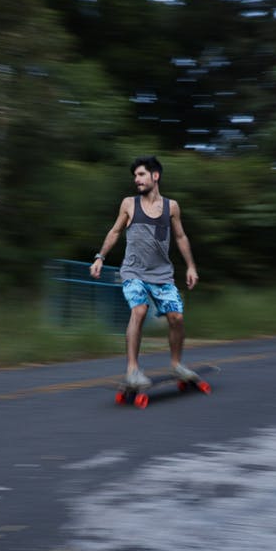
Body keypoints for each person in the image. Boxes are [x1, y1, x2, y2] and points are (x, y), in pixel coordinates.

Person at [90, 156, 200, 388]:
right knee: (139, 311)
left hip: (162, 275)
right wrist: (100, 257)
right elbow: (115, 231)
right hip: (133, 272)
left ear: (155, 176)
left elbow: (180, 237)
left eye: (141, 174)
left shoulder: (172, 207)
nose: (136, 179)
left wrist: (190, 266)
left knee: (176, 317)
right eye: (135, 176)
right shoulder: (129, 204)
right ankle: (132, 370)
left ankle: (177, 365)